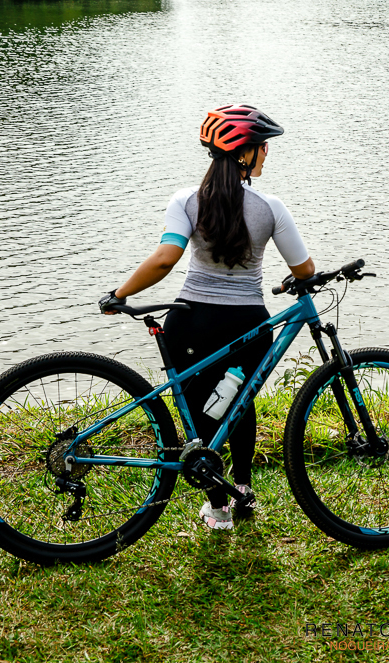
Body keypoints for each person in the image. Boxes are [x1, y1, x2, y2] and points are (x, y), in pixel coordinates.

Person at [99, 104, 315, 530]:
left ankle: (218, 506)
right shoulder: (270, 207)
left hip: (191, 320)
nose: (266, 154)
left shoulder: (185, 200)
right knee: (238, 404)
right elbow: (304, 270)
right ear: (243, 154)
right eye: (263, 147)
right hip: (248, 326)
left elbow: (165, 259)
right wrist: (301, 278)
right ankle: (244, 489)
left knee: (199, 409)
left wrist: (118, 294)